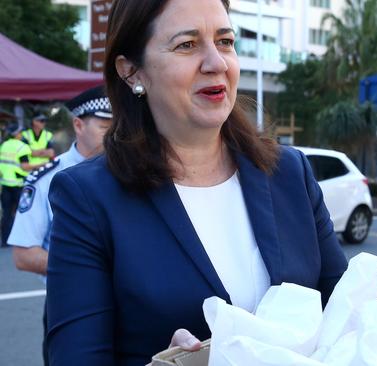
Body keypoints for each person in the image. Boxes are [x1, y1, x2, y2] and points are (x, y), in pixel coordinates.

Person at [45, 0, 348, 364]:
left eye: (225, 41)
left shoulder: (289, 173)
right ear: (132, 72)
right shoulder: (88, 197)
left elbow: (345, 313)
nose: (216, 62)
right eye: (187, 45)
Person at [7, 85, 112, 366]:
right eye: (105, 126)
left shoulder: (130, 173)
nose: (115, 134)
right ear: (78, 125)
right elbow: (24, 255)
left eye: (119, 125)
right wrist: (95, 267)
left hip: (130, 302)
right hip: (72, 303)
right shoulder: (47, 179)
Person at [0, 123, 42, 247]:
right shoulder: (22, 147)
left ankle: (5, 240)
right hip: (19, 185)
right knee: (24, 212)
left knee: (7, 213)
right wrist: (42, 165)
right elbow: (25, 166)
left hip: (5, 184)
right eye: (20, 132)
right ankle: (22, 240)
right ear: (17, 134)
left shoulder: (3, 145)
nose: (22, 134)